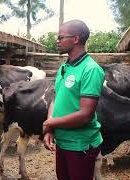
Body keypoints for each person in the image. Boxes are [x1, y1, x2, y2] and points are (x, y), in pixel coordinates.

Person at [42, 20, 105, 180]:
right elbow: (56, 97)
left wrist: (50, 123)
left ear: (76, 39)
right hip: (62, 142)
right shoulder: (65, 66)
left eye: (61, 37)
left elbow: (85, 115)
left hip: (80, 145)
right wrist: (50, 128)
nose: (57, 41)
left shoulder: (90, 70)